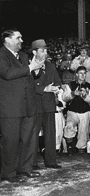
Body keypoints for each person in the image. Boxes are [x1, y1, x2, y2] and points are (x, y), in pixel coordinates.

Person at [0, 29, 43, 182]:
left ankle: (25, 168)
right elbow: (7, 73)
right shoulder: (2, 55)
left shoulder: (24, 56)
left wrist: (37, 69)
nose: (22, 41)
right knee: (10, 141)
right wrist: (30, 68)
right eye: (18, 38)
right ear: (7, 39)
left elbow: (29, 77)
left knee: (27, 139)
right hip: (10, 107)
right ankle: (8, 173)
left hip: (27, 106)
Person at [31, 39, 62, 169]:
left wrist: (56, 88)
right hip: (35, 105)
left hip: (49, 104)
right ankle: (31, 163)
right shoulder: (28, 66)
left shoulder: (50, 65)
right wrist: (44, 89)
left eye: (46, 50)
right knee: (32, 135)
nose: (45, 52)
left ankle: (51, 161)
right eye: (42, 50)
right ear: (34, 52)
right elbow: (27, 86)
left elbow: (57, 81)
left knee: (50, 134)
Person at [62, 66, 90, 154]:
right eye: (80, 73)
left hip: (85, 112)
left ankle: (81, 152)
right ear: (76, 74)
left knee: (83, 133)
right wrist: (73, 93)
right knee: (69, 127)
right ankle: (70, 148)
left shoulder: (89, 86)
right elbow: (64, 98)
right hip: (72, 111)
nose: (82, 75)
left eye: (84, 73)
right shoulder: (70, 85)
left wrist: (85, 96)